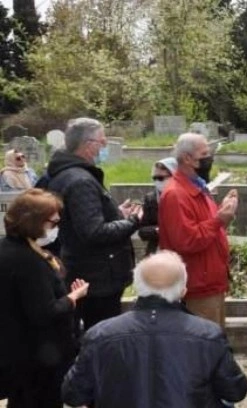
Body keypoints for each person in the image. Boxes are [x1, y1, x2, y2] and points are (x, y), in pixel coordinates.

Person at [61, 251, 247, 407]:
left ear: (136, 287)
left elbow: (73, 394)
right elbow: (235, 390)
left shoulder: (99, 335)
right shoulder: (209, 335)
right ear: (183, 291)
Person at [46, 118, 142, 330]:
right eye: (102, 141)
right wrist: (133, 221)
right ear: (88, 145)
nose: (105, 146)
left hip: (88, 272)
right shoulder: (80, 181)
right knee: (100, 334)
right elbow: (94, 232)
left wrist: (116, 213)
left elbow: (83, 218)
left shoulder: (70, 173)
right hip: (97, 279)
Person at [0, 189, 89, 407]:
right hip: (40, 356)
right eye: (53, 222)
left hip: (17, 350)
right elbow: (44, 312)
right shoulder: (28, 261)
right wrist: (73, 296)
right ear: (35, 222)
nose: (56, 227)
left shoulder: (10, 248)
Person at [159, 133, 238, 328]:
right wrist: (219, 219)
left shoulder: (198, 187)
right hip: (197, 287)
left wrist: (223, 214)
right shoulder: (176, 194)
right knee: (203, 347)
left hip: (211, 282)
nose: (209, 158)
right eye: (205, 153)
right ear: (187, 159)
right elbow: (187, 240)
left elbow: (208, 228)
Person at [138, 157, 178, 256]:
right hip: (157, 252)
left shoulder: (185, 197)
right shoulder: (151, 199)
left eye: (161, 178)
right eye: (154, 178)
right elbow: (143, 231)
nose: (157, 181)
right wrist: (158, 230)